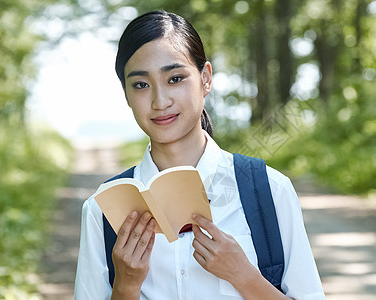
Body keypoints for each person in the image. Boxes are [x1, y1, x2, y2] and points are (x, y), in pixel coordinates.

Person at [74, 10, 325, 300]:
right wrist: (126, 286)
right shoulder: (103, 209)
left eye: (175, 78)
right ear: (127, 95)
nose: (160, 101)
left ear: (205, 79)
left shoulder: (269, 190)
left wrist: (243, 275)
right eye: (141, 84)